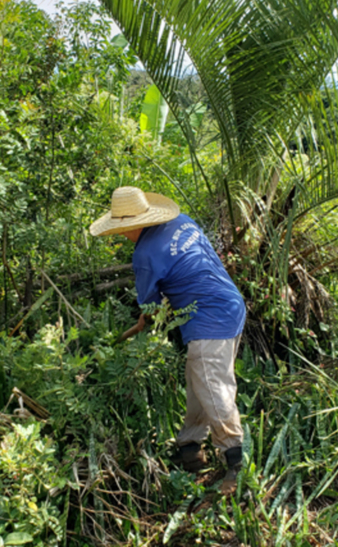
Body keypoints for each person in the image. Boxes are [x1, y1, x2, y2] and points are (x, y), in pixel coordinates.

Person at [89, 186, 247, 493]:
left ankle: (235, 461)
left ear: (136, 223)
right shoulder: (183, 221)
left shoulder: (145, 255)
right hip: (231, 304)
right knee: (198, 381)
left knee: (214, 388)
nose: (122, 235)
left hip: (210, 319)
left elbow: (152, 309)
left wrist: (143, 321)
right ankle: (189, 449)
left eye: (123, 230)